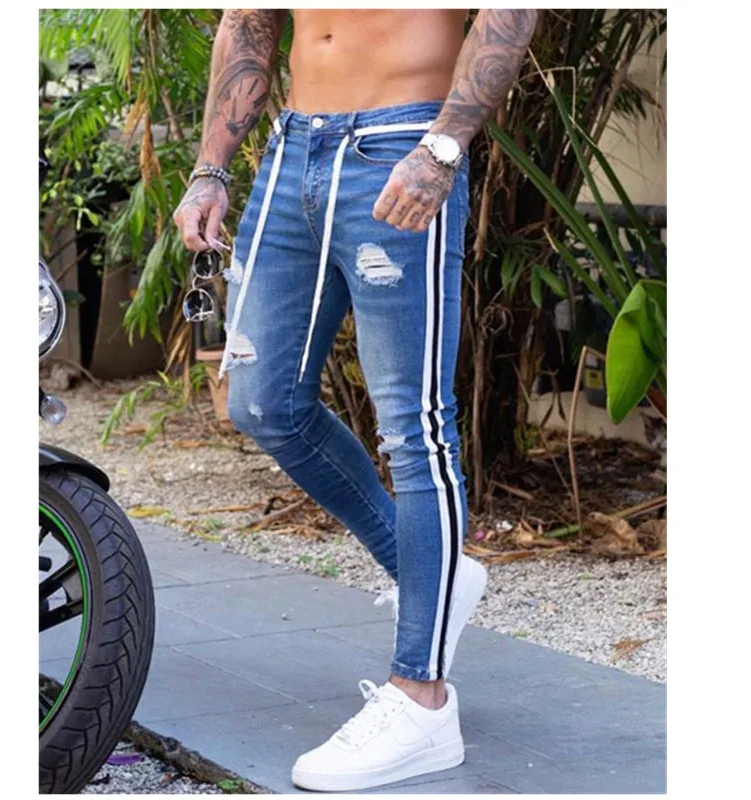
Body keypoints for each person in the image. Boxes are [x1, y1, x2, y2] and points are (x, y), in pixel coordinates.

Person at [174, 9, 537, 792]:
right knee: (263, 403)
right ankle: (432, 574)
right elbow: (250, 20)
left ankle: (423, 702)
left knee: (414, 427)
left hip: (404, 143)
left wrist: (444, 146)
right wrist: (211, 168)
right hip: (293, 149)